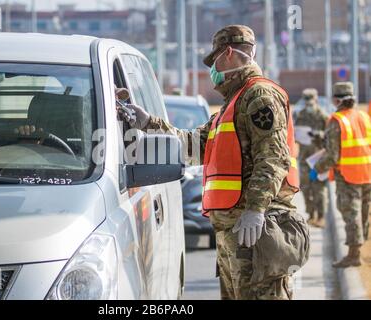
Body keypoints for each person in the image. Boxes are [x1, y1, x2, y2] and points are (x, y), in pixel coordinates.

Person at [118, 25, 309, 300]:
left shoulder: (259, 96)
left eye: (214, 60)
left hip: (256, 231)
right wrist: (148, 123)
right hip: (237, 233)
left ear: (229, 54)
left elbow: (273, 157)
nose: (213, 71)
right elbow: (196, 145)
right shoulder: (234, 103)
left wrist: (255, 209)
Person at [312, 82, 371, 268]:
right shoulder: (363, 116)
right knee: (364, 212)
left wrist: (317, 168)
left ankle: (354, 255)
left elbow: (333, 155)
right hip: (367, 171)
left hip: (348, 175)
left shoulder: (337, 120)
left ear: (336, 100)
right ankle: (359, 249)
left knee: (351, 213)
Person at [295, 89, 329, 227]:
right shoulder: (300, 115)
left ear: (315, 100)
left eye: (311, 100)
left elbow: (330, 136)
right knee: (306, 187)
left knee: (319, 188)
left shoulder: (323, 116)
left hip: (318, 159)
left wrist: (320, 135)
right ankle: (311, 214)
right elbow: (294, 133)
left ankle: (321, 217)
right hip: (304, 159)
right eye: (306, 101)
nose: (309, 104)